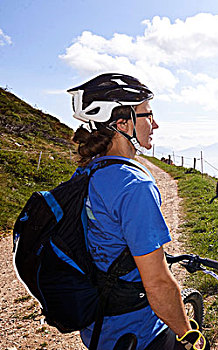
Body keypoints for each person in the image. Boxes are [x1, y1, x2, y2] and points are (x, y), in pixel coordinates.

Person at [68, 73, 206, 350]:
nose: (155, 123)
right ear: (123, 122)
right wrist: (188, 335)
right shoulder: (134, 185)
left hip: (97, 326)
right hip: (137, 333)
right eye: (147, 114)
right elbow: (157, 283)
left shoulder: (87, 170)